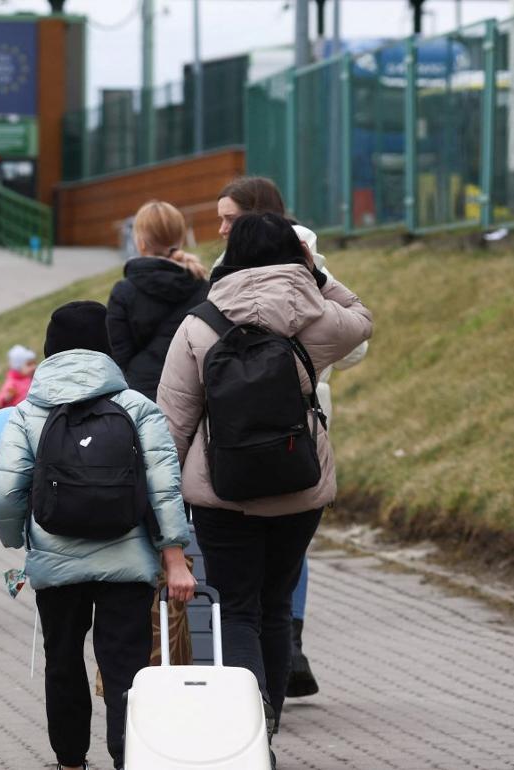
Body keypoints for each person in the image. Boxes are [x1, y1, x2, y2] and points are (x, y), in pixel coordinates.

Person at [157, 213, 372, 738]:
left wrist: (162, 507)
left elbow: (173, 424)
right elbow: (362, 317)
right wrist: (315, 273)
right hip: (300, 489)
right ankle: (270, 715)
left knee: (237, 610)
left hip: (221, 494)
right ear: (293, 255)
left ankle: (253, 726)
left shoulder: (199, 324)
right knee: (277, 605)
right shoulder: (316, 319)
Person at [0, 301, 195, 770]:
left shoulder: (27, 413)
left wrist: (18, 537)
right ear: (106, 346)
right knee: (126, 667)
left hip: (55, 563)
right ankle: (130, 756)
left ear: (50, 350)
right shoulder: (138, 407)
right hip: (128, 561)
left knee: (62, 662)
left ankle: (71, 762)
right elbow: (165, 488)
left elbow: (1, 495)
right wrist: (174, 556)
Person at [215, 176, 370, 698]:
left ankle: (249, 699)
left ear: (257, 220)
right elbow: (356, 335)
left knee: (244, 591)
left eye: (229, 220)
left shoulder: (223, 279)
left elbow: (191, 367)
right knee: (285, 559)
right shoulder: (312, 279)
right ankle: (281, 673)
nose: (220, 229)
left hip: (235, 438)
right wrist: (318, 283)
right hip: (300, 432)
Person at [106, 200, 209, 401]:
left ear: (140, 242)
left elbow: (118, 358)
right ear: (180, 240)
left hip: (140, 398)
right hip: (195, 396)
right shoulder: (204, 288)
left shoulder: (124, 292)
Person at [0, 344, 37, 408]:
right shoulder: (12, 382)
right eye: (29, 365)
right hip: (18, 412)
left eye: (34, 363)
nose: (33, 367)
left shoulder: (31, 377)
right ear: (18, 367)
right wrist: (6, 397)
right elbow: (1, 398)